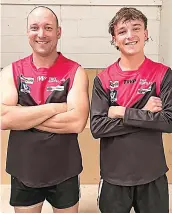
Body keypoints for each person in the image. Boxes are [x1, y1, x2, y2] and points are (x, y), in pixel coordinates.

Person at [1, 6, 89, 213]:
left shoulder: (75, 71)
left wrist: (24, 115)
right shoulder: (11, 71)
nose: (41, 34)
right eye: (35, 27)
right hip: (24, 170)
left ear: (59, 32)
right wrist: (56, 108)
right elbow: (4, 119)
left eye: (48, 27)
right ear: (27, 32)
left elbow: (76, 122)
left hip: (64, 171)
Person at [90, 7, 172, 213]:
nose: (130, 36)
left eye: (136, 28)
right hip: (113, 177)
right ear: (114, 38)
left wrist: (121, 112)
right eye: (122, 31)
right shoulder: (104, 79)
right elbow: (97, 127)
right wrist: (144, 112)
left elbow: (169, 121)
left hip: (152, 175)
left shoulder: (163, 74)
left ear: (146, 34)